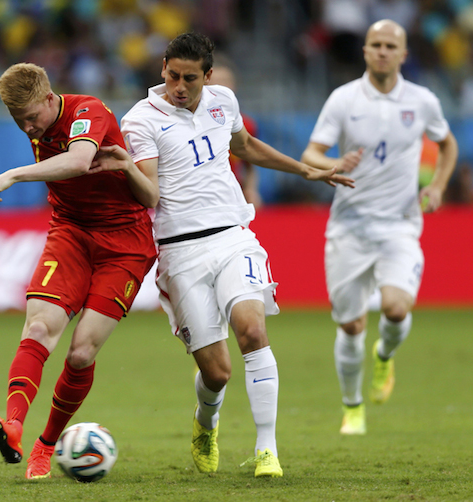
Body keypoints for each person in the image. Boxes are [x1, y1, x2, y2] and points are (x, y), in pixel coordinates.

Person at [89, 32, 354, 477]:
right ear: (163, 68)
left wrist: (305, 169)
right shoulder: (140, 120)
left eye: (190, 78)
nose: (179, 86)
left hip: (233, 236)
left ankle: (266, 449)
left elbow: (244, 147)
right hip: (180, 251)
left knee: (252, 331)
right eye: (173, 75)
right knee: (217, 373)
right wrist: (127, 168)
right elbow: (150, 194)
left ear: (207, 76)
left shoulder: (223, 101)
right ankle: (205, 422)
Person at [0, 63, 157, 479]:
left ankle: (46, 444)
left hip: (124, 242)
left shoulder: (87, 111)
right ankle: (14, 426)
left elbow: (78, 161)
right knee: (38, 328)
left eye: (31, 117)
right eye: (17, 121)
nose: (27, 128)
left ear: (48, 97)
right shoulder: (36, 122)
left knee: (80, 353)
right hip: (70, 232)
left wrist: (12, 175)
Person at [301, 19, 459, 435]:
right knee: (351, 326)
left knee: (395, 307)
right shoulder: (344, 99)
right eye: (376, 44)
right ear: (365, 51)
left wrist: (438, 185)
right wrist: (334, 164)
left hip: (399, 225)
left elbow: (447, 144)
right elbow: (311, 153)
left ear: (403, 54)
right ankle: (352, 406)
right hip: (349, 227)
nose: (383, 51)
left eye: (391, 45)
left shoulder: (422, 101)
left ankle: (385, 356)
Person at [207, 57, 262, 209]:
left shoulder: (246, 125)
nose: (221, 87)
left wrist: (251, 190)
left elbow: (250, 165)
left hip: (233, 201)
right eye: (216, 82)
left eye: (226, 82)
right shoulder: (191, 123)